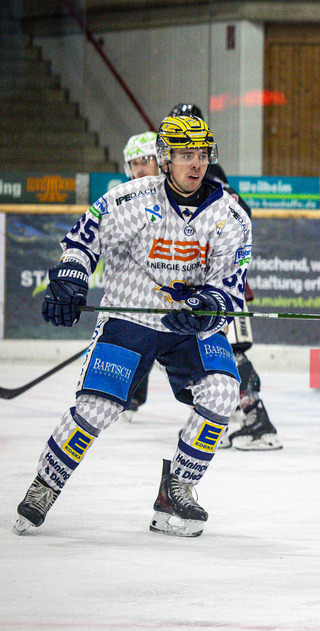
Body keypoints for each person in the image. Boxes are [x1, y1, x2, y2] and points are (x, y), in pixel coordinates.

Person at [13, 115, 251, 537]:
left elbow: (229, 287)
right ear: (164, 158)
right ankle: (44, 485)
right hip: (130, 315)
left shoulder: (230, 216)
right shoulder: (131, 199)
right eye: (184, 155)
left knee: (223, 391)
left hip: (187, 325)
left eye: (201, 155)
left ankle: (177, 489)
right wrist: (71, 277)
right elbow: (84, 238)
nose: (195, 165)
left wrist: (206, 307)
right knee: (97, 408)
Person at [166, 102, 280, 450]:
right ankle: (224, 416)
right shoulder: (182, 174)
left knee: (231, 350)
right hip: (204, 289)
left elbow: (239, 222)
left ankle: (259, 423)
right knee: (207, 351)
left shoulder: (210, 174)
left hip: (223, 287)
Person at [118, 131, 162, 421]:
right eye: (134, 163)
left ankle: (231, 404)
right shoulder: (124, 201)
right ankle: (131, 395)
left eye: (146, 160)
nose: (140, 168)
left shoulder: (181, 192)